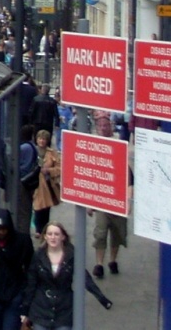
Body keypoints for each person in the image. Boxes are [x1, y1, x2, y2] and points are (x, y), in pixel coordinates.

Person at [21, 221, 112, 329]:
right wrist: (25, 311)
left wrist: (103, 299)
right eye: (50, 234)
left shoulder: (71, 256)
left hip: (64, 310)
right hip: (41, 309)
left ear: (63, 237)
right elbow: (31, 284)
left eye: (56, 234)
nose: (53, 237)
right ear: (45, 236)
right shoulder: (38, 256)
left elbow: (85, 279)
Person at [90, 112, 132, 278]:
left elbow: (128, 176)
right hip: (101, 200)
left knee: (117, 233)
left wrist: (128, 200)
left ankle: (112, 261)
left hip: (118, 198)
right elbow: (91, 176)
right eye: (100, 126)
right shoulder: (93, 147)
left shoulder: (119, 146)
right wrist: (90, 202)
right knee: (100, 233)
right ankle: (99, 265)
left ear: (111, 127)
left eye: (106, 125)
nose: (103, 128)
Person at [31, 129, 61, 239]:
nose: (42, 141)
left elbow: (59, 168)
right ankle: (39, 229)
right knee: (38, 206)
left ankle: (44, 228)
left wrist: (49, 171)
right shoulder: (32, 150)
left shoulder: (52, 153)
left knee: (46, 208)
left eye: (44, 139)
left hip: (48, 185)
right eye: (40, 138)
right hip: (35, 183)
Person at [16, 124, 37, 234]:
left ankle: (23, 233)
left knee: (23, 211)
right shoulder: (32, 146)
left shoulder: (24, 148)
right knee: (26, 209)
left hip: (23, 181)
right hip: (30, 181)